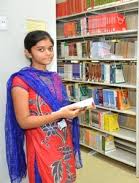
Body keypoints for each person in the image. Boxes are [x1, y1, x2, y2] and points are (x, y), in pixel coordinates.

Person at [5, 30, 84, 183]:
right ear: (28, 53)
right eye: (41, 49)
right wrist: (61, 114)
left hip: (63, 139)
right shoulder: (20, 81)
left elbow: (58, 107)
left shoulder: (55, 78)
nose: (48, 53)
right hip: (41, 142)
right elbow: (24, 121)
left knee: (66, 178)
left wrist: (74, 109)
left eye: (50, 48)